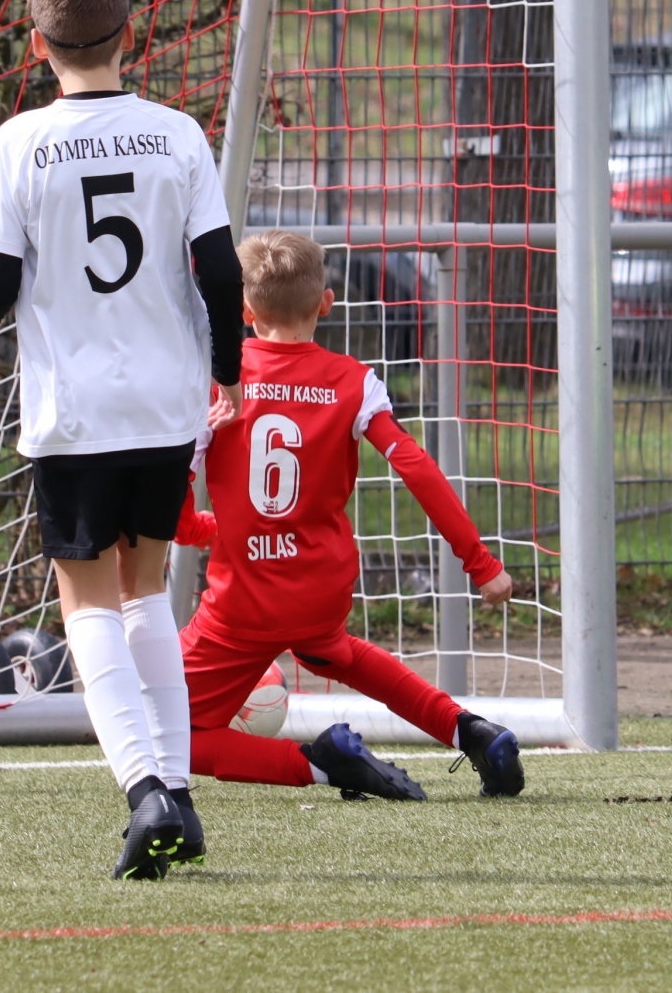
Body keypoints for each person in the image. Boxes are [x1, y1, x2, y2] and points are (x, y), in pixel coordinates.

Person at [0, 0, 244, 879]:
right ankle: (178, 792)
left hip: (76, 411)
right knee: (147, 590)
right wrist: (227, 373)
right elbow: (219, 270)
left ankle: (144, 788)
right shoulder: (176, 134)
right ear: (131, 35)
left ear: (37, 45)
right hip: (165, 403)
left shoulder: (19, 142)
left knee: (86, 603)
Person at [169, 228, 525, 828]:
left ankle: (320, 763)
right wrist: (480, 564)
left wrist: (203, 529)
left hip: (242, 603)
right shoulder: (355, 381)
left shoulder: (218, 382)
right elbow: (416, 467)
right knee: (333, 651)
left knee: (155, 732)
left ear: (245, 311)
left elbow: (176, 496)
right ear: (326, 303)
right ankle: (473, 732)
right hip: (321, 590)